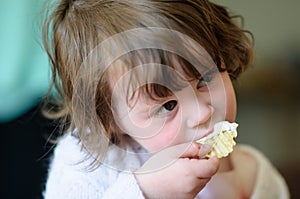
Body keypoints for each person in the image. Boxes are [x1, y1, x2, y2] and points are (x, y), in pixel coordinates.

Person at [42, 0, 289, 198]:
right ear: (109, 118)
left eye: (204, 80)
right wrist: (147, 192)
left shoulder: (252, 171)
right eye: (168, 105)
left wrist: (252, 186)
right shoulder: (86, 164)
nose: (202, 113)